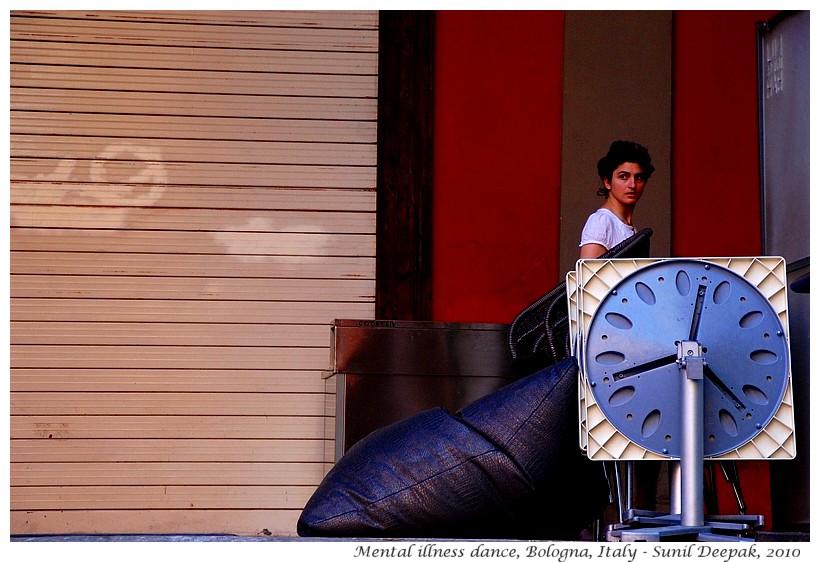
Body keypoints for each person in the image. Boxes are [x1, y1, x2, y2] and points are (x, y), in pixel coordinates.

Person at [579, 140, 655, 258]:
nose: (632, 185)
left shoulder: (628, 226)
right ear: (607, 182)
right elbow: (590, 276)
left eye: (639, 177)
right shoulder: (601, 222)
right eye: (623, 177)